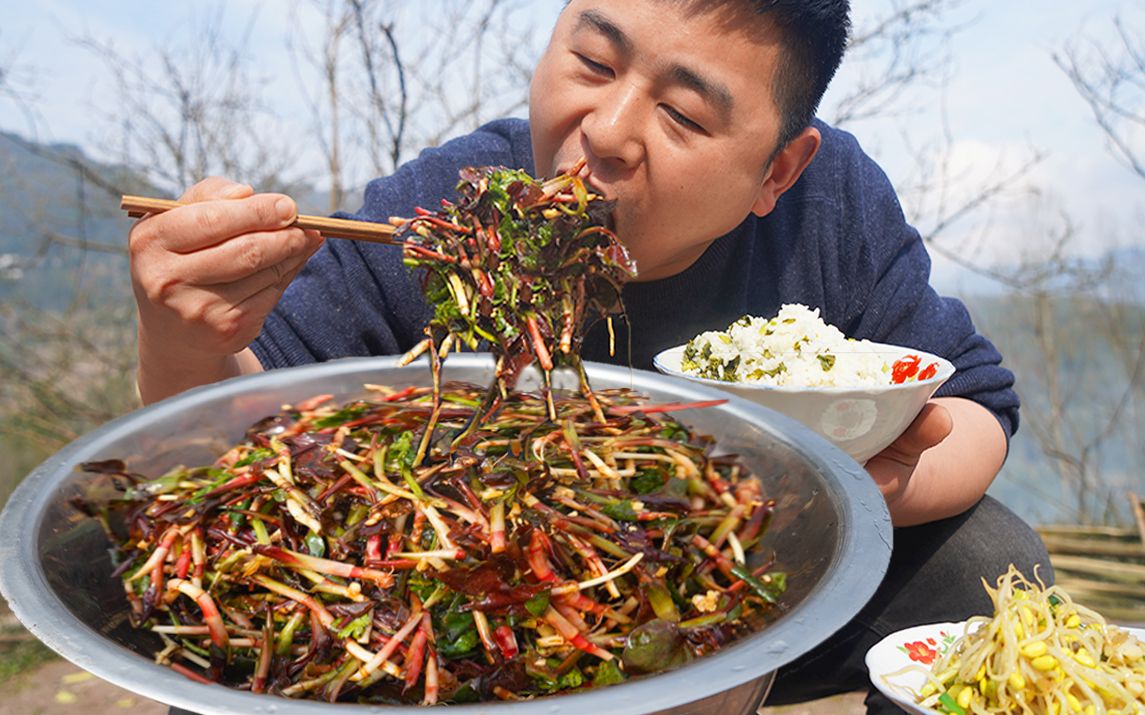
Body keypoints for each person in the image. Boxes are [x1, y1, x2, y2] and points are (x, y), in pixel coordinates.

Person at [134, 1, 1051, 712]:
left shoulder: (834, 213)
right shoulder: (430, 216)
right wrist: (183, 344)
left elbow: (974, 406)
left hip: (750, 581)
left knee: (986, 558)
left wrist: (840, 486)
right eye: (592, 62)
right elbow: (241, 455)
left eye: (685, 115)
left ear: (777, 170)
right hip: (472, 611)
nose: (608, 130)